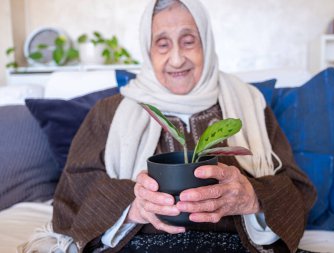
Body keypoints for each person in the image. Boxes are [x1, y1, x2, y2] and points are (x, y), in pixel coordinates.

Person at [52, 0, 317, 252]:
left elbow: (296, 190)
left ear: (207, 43)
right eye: (163, 44)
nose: (177, 59)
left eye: (189, 42)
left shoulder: (249, 102)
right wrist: (131, 206)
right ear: (148, 50)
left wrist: (254, 197)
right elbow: (73, 194)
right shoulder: (109, 111)